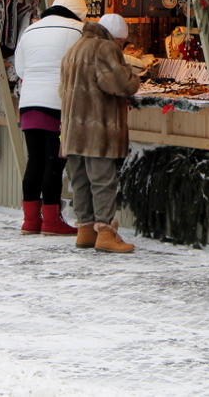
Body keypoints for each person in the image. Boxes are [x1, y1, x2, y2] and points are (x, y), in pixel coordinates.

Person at [59, 13, 140, 253]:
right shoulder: (104, 49)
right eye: (122, 42)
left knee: (81, 180)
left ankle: (85, 231)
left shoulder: (75, 47)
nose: (121, 46)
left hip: (74, 127)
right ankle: (105, 233)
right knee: (103, 180)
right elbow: (121, 84)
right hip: (98, 128)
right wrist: (133, 75)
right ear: (116, 38)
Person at [13, 0, 87, 236]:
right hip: (58, 105)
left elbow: (20, 69)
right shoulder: (78, 31)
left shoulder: (31, 28)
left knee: (35, 160)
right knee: (54, 162)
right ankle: (52, 221)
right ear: (80, 11)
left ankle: (30, 220)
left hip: (29, 104)